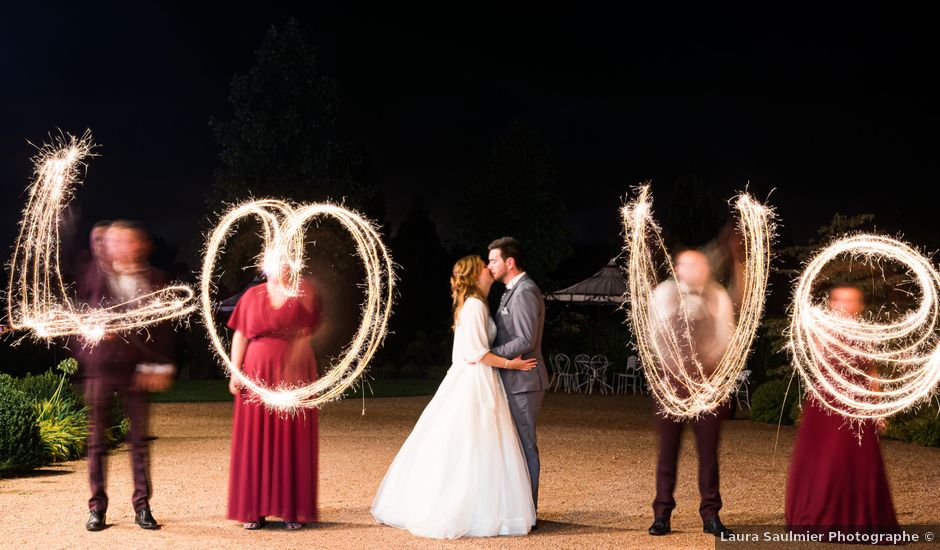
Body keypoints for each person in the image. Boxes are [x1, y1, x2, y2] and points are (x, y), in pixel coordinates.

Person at [371, 255, 538, 539]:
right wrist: (512, 364)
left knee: (483, 443)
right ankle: (468, 508)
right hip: (474, 380)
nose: (489, 269)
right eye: (485, 267)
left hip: (479, 378)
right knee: (473, 442)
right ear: (475, 277)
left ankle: (486, 506)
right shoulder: (473, 306)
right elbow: (476, 353)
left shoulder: (476, 304)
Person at [80, 220, 175, 531]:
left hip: (137, 371)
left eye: (125, 241)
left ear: (139, 245)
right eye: (113, 241)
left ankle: (142, 507)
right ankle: (97, 509)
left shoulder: (156, 278)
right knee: (97, 442)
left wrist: (158, 365)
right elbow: (79, 316)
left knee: (139, 442)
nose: (118, 246)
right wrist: (93, 335)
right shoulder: (94, 274)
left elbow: (162, 330)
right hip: (102, 369)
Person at [785, 285, 899, 536]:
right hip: (827, 404)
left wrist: (878, 407)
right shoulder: (822, 331)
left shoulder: (865, 335)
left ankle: (857, 519)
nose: (843, 306)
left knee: (856, 460)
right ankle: (820, 517)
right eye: (837, 300)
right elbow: (819, 366)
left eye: (849, 301)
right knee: (825, 460)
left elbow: (872, 373)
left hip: (857, 404)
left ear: (859, 306)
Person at [226, 264, 321, 530]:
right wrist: (236, 372)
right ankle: (253, 510)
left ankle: (291, 508)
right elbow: (240, 335)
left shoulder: (303, 292)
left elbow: (306, 335)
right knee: (255, 438)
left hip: (294, 371)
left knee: (291, 437)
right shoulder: (251, 296)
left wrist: (293, 367)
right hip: (256, 374)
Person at [647, 249, 735, 538]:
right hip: (671, 382)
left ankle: (711, 514)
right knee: (667, 451)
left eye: (699, 264)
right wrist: (674, 369)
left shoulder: (718, 295)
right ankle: (662, 514)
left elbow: (726, 336)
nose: (694, 269)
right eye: (687, 264)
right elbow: (655, 335)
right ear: (677, 268)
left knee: (709, 453)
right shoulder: (664, 294)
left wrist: (708, 370)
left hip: (708, 383)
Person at [486, 237, 550, 518]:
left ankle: (529, 513)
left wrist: (489, 353)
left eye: (493, 260)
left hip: (524, 381)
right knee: (515, 444)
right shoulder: (512, 290)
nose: (489, 266)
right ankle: (518, 507)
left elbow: (525, 338)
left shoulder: (524, 291)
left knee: (525, 445)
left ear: (509, 262)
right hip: (515, 379)